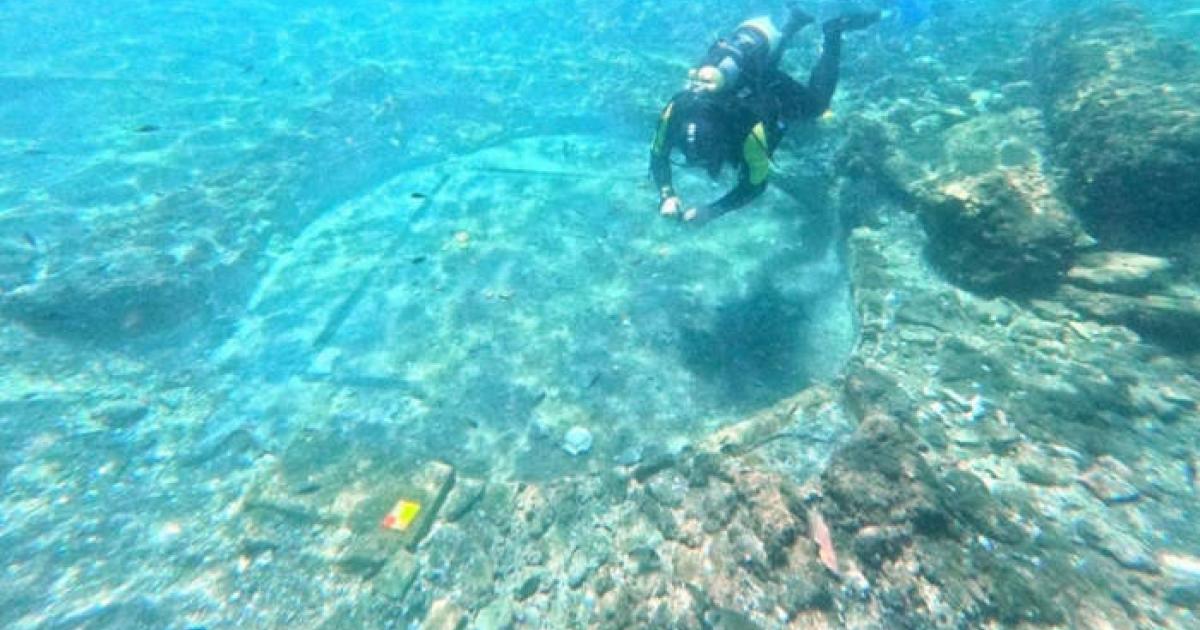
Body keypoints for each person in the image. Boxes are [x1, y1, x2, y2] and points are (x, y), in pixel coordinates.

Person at [650, 6, 880, 224]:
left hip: (765, 88)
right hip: (746, 75)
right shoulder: (677, 110)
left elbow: (756, 184)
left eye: (706, 157)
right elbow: (658, 153)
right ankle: (792, 24)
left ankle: (833, 31)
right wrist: (666, 195)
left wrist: (714, 210)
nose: (698, 163)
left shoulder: (749, 130)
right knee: (759, 69)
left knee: (817, 107)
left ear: (725, 142)